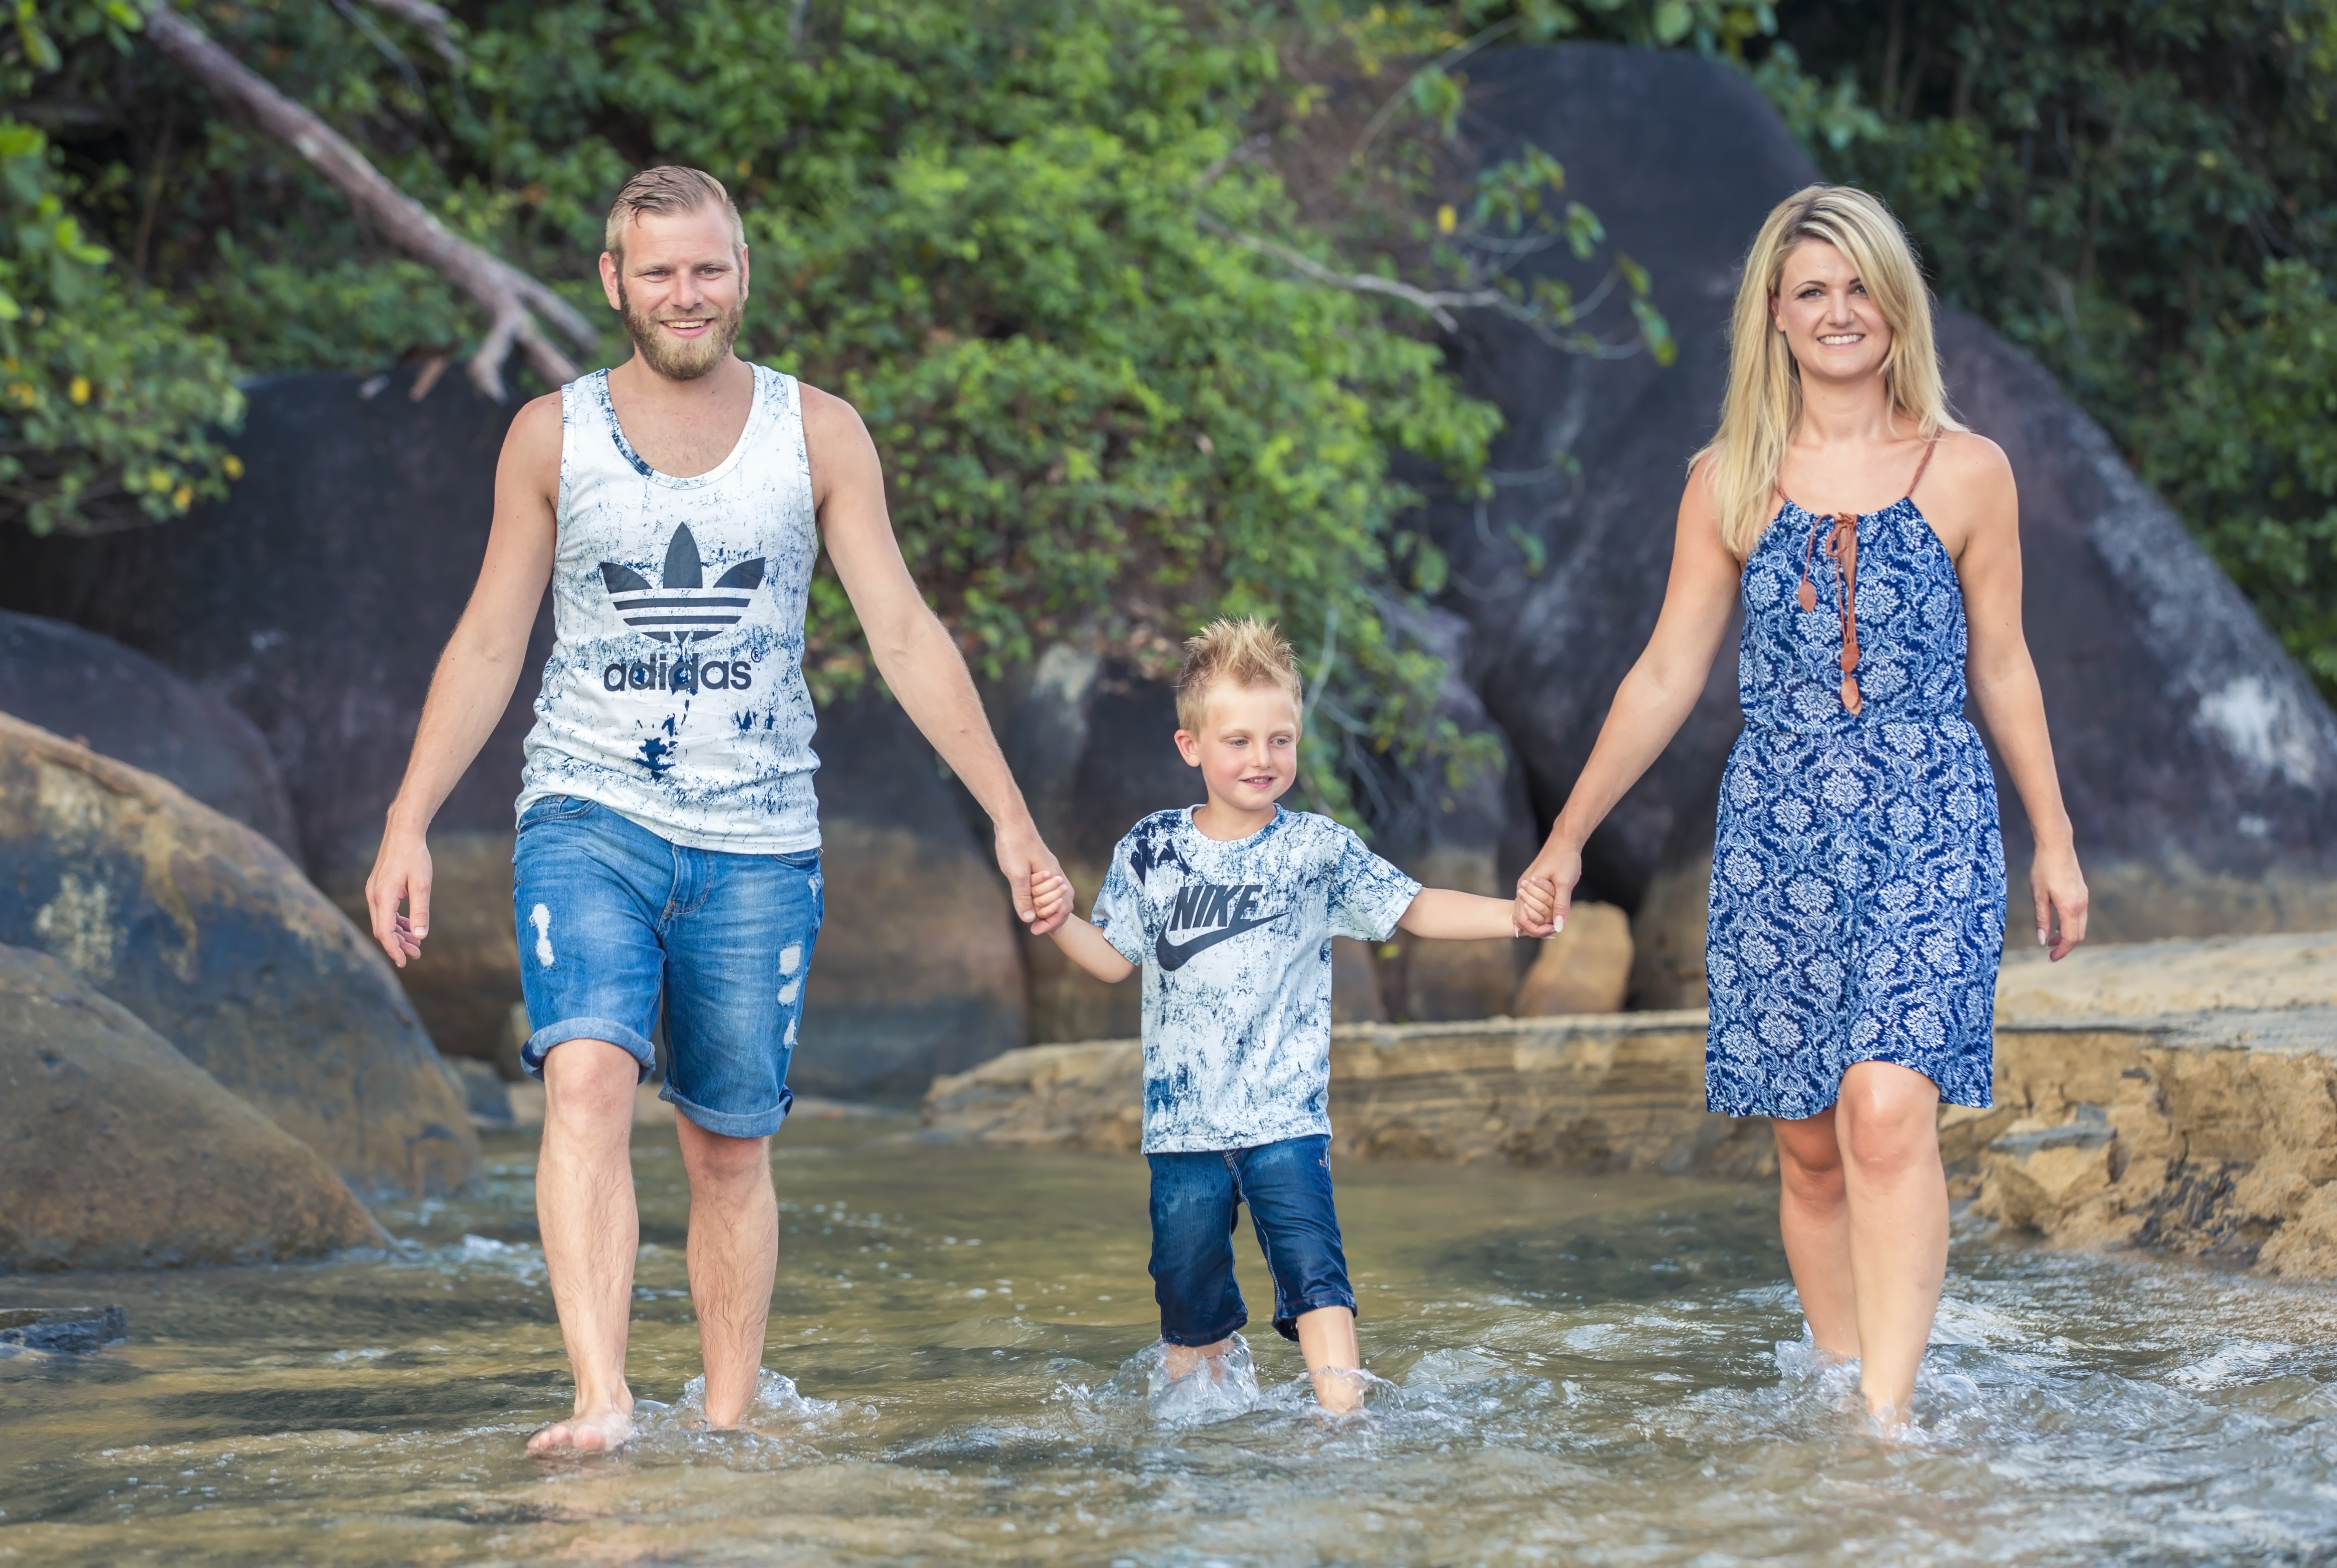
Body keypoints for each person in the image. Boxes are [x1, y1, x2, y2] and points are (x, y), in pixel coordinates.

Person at [362, 165, 1071, 1455]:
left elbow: (904, 634)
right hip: (587, 811)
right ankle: (602, 1399)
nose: (684, 293)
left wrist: (1012, 818)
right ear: (612, 283)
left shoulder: (819, 433)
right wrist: (410, 817)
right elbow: (485, 642)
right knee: (584, 1076)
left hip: (758, 838)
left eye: (707, 268)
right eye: (658, 271)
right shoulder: (551, 434)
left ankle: (730, 1422)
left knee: (726, 1148)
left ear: (742, 272)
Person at [1513, 185, 2088, 1430]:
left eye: (1857, 285)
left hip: (1929, 814)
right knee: (1810, 1143)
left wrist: (2052, 839)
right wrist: (1564, 836)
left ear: (1896, 304)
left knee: (1883, 1105)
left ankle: (1885, 1419)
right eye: (1809, 289)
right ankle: (1840, 1381)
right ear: (1772, 316)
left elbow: (2003, 663)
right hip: (1777, 831)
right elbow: (1665, 671)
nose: (1838, 311)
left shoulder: (1966, 471)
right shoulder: (1726, 479)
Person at [1029, 618, 1544, 1415]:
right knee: (1187, 1295)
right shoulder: (1151, 849)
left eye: (1280, 739)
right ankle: (1196, 1434)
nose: (1261, 759)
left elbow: (1414, 907)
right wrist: (1060, 918)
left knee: (1315, 1274)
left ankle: (1344, 1423)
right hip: (1182, 1128)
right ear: (1190, 746)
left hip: (1285, 1116)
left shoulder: (1316, 850)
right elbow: (1111, 959)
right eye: (1237, 740)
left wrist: (1515, 915)